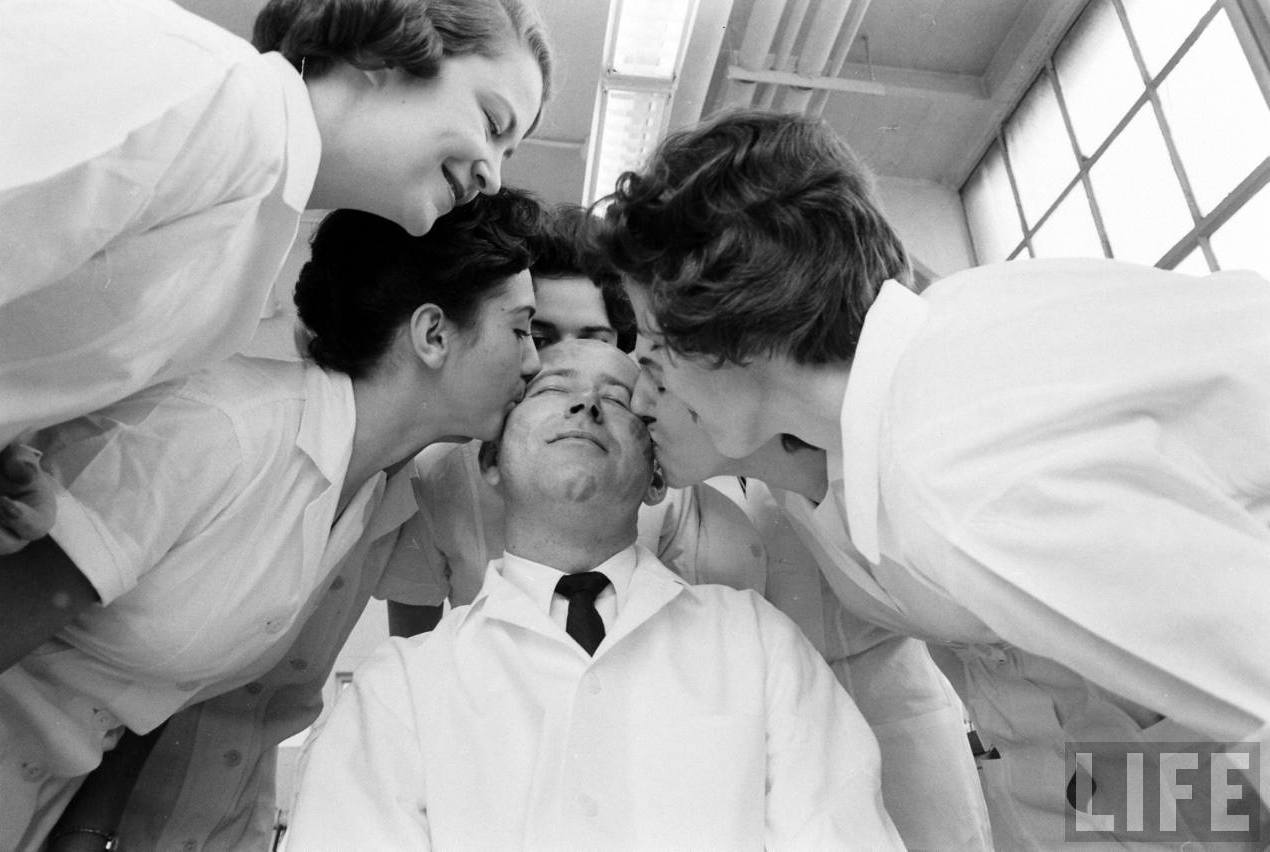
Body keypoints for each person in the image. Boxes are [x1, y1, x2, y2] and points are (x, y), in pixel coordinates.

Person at [593, 108, 1270, 847]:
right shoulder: (937, 366)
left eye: (656, 342)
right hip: (1143, 754)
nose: (644, 379)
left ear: (726, 332)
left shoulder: (946, 467)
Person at [0, 189, 543, 850]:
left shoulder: (364, 490)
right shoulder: (220, 432)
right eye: (520, 330)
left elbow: (155, 681)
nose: (535, 362)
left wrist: (87, 829)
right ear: (433, 335)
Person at [285, 339, 902, 849]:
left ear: (659, 478)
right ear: (491, 462)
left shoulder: (757, 642)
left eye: (619, 399)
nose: (587, 406)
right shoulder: (397, 687)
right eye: (553, 389)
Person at [0, 0, 551, 549]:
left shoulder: (246, 248)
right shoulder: (209, 90)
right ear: (382, 53)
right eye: (492, 122)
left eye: (509, 151)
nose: (494, 177)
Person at [630, 348, 993, 851]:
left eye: (658, 375)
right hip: (793, 742)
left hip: (930, 715)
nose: (637, 400)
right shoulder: (793, 486)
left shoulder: (910, 477)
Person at [383, 206, 766, 638]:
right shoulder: (438, 477)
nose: (560, 361)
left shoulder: (664, 471)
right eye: (539, 337)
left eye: (591, 339)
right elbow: (415, 637)